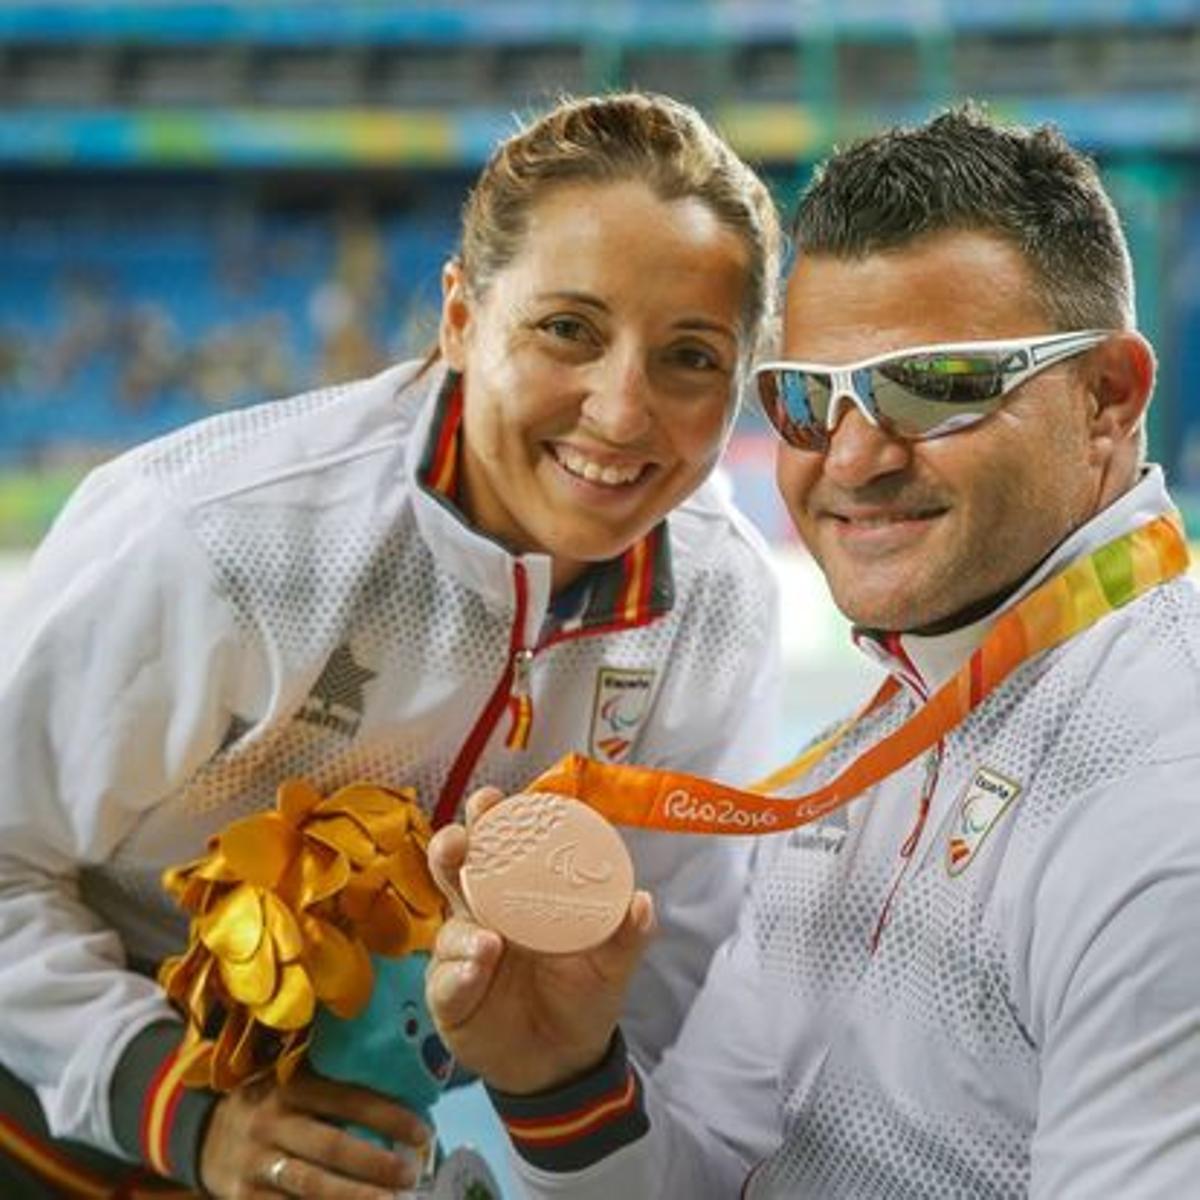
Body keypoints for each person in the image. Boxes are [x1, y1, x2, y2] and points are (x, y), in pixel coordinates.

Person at [0, 91, 784, 1197]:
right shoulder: (222, 541)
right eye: (569, 329)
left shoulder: (715, 604)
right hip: (47, 1132)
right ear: (461, 318)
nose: (622, 411)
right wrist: (189, 1112)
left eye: (691, 357)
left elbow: (663, 990)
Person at [426, 106, 1200, 1198]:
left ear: (1107, 398)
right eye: (807, 398)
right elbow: (704, 1168)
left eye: (934, 385)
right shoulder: (894, 722)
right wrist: (561, 1081)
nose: (853, 458)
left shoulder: (1163, 800)